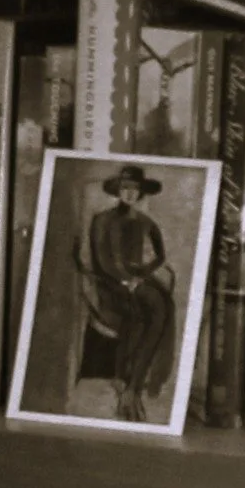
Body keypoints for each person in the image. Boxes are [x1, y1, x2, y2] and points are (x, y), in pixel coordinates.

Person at [87, 165, 175, 423]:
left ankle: (133, 387)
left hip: (135, 281)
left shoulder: (145, 222)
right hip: (109, 282)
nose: (129, 193)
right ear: (118, 190)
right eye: (125, 188)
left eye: (135, 189)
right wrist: (125, 280)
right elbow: (102, 260)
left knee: (161, 307)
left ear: (140, 193)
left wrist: (142, 273)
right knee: (139, 311)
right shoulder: (102, 219)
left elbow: (160, 255)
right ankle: (125, 380)